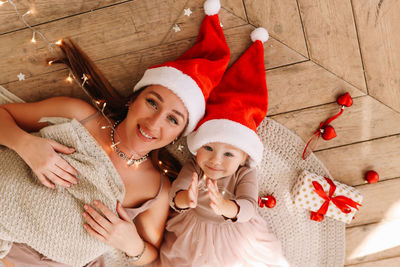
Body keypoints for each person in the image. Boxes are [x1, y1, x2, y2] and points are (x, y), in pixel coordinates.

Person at [0, 0, 229, 266]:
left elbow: (151, 254)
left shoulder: (156, 187)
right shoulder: (78, 115)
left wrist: (131, 244)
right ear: (134, 100)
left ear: (178, 135)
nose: (154, 122)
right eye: (152, 102)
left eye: (173, 119)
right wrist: (25, 144)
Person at [157, 28, 291, 267]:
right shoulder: (194, 167)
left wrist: (227, 206)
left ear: (243, 158)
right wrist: (185, 198)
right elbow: (175, 193)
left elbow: (249, 207)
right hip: (194, 229)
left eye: (228, 153)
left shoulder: (244, 173)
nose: (215, 160)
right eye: (208, 148)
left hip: (235, 231)